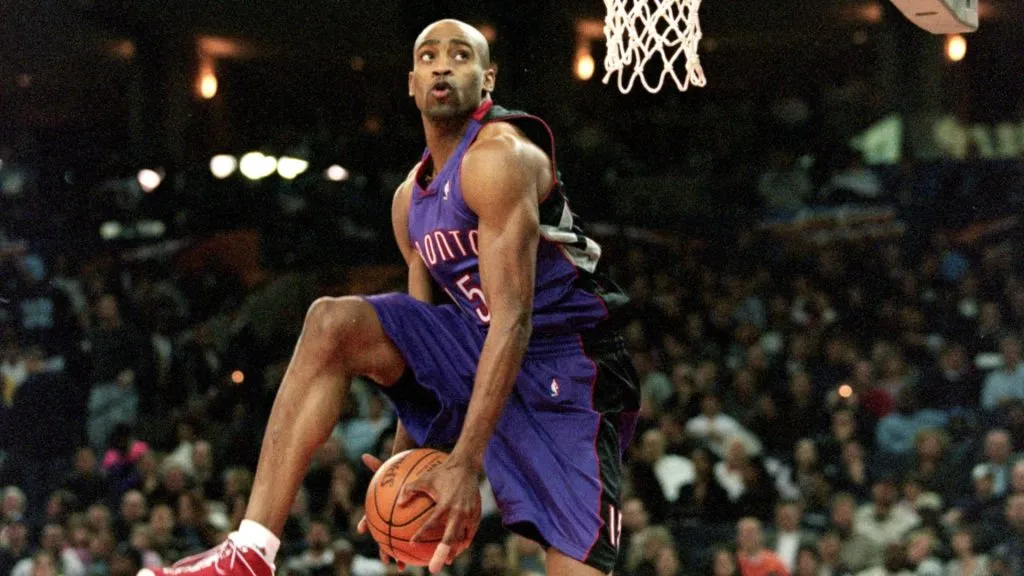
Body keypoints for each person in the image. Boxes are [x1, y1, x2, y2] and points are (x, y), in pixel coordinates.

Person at [140, 18, 637, 576]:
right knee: (332, 322)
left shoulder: (500, 157)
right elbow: (423, 350)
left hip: (569, 367)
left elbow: (514, 320)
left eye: (461, 56)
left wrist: (462, 464)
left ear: (488, 79)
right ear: (411, 83)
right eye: (428, 56)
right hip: (478, 344)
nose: (442, 66)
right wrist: (406, 457)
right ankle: (251, 551)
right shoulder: (409, 201)